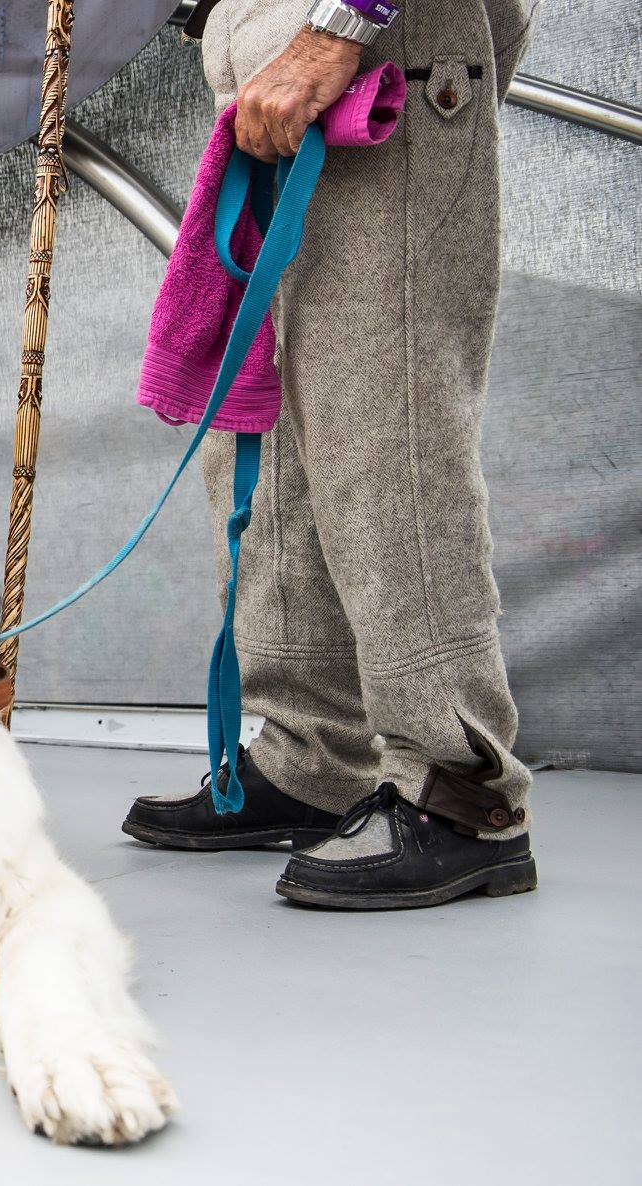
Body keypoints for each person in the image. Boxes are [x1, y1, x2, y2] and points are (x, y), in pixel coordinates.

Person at [120, 0, 541, 909]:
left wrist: (339, 27)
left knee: (384, 428)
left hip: (369, 54)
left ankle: (463, 792)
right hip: (275, 70)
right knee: (269, 429)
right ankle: (313, 758)